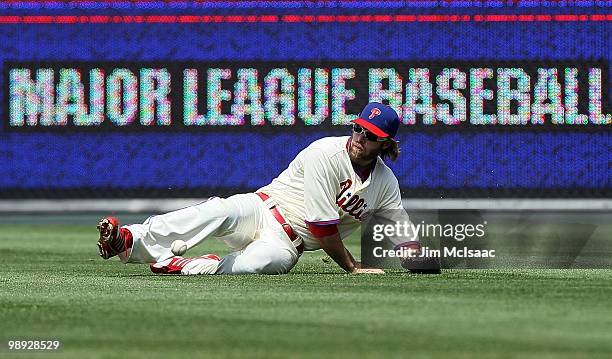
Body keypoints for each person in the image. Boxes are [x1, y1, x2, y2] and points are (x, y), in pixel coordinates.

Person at [96, 102, 405, 275]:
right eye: (357, 128)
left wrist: (423, 257)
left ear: (386, 143)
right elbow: (322, 229)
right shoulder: (326, 153)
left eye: (370, 135)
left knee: (265, 263)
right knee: (219, 210)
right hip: (262, 209)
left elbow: (402, 232)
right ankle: (127, 239)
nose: (359, 137)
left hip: (289, 245)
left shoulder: (385, 184)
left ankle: (193, 266)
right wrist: (352, 266)